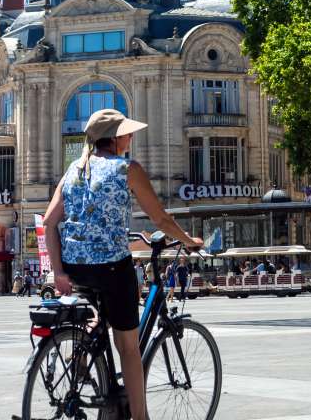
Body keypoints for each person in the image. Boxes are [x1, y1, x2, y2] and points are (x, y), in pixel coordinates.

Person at [44, 108, 202, 420]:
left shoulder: (73, 169)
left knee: (96, 318)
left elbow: (50, 223)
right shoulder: (127, 168)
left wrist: (58, 271)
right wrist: (189, 240)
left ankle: (80, 363)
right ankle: (140, 417)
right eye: (127, 133)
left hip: (75, 268)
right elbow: (160, 218)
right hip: (113, 269)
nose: (131, 137)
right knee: (128, 347)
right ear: (116, 138)